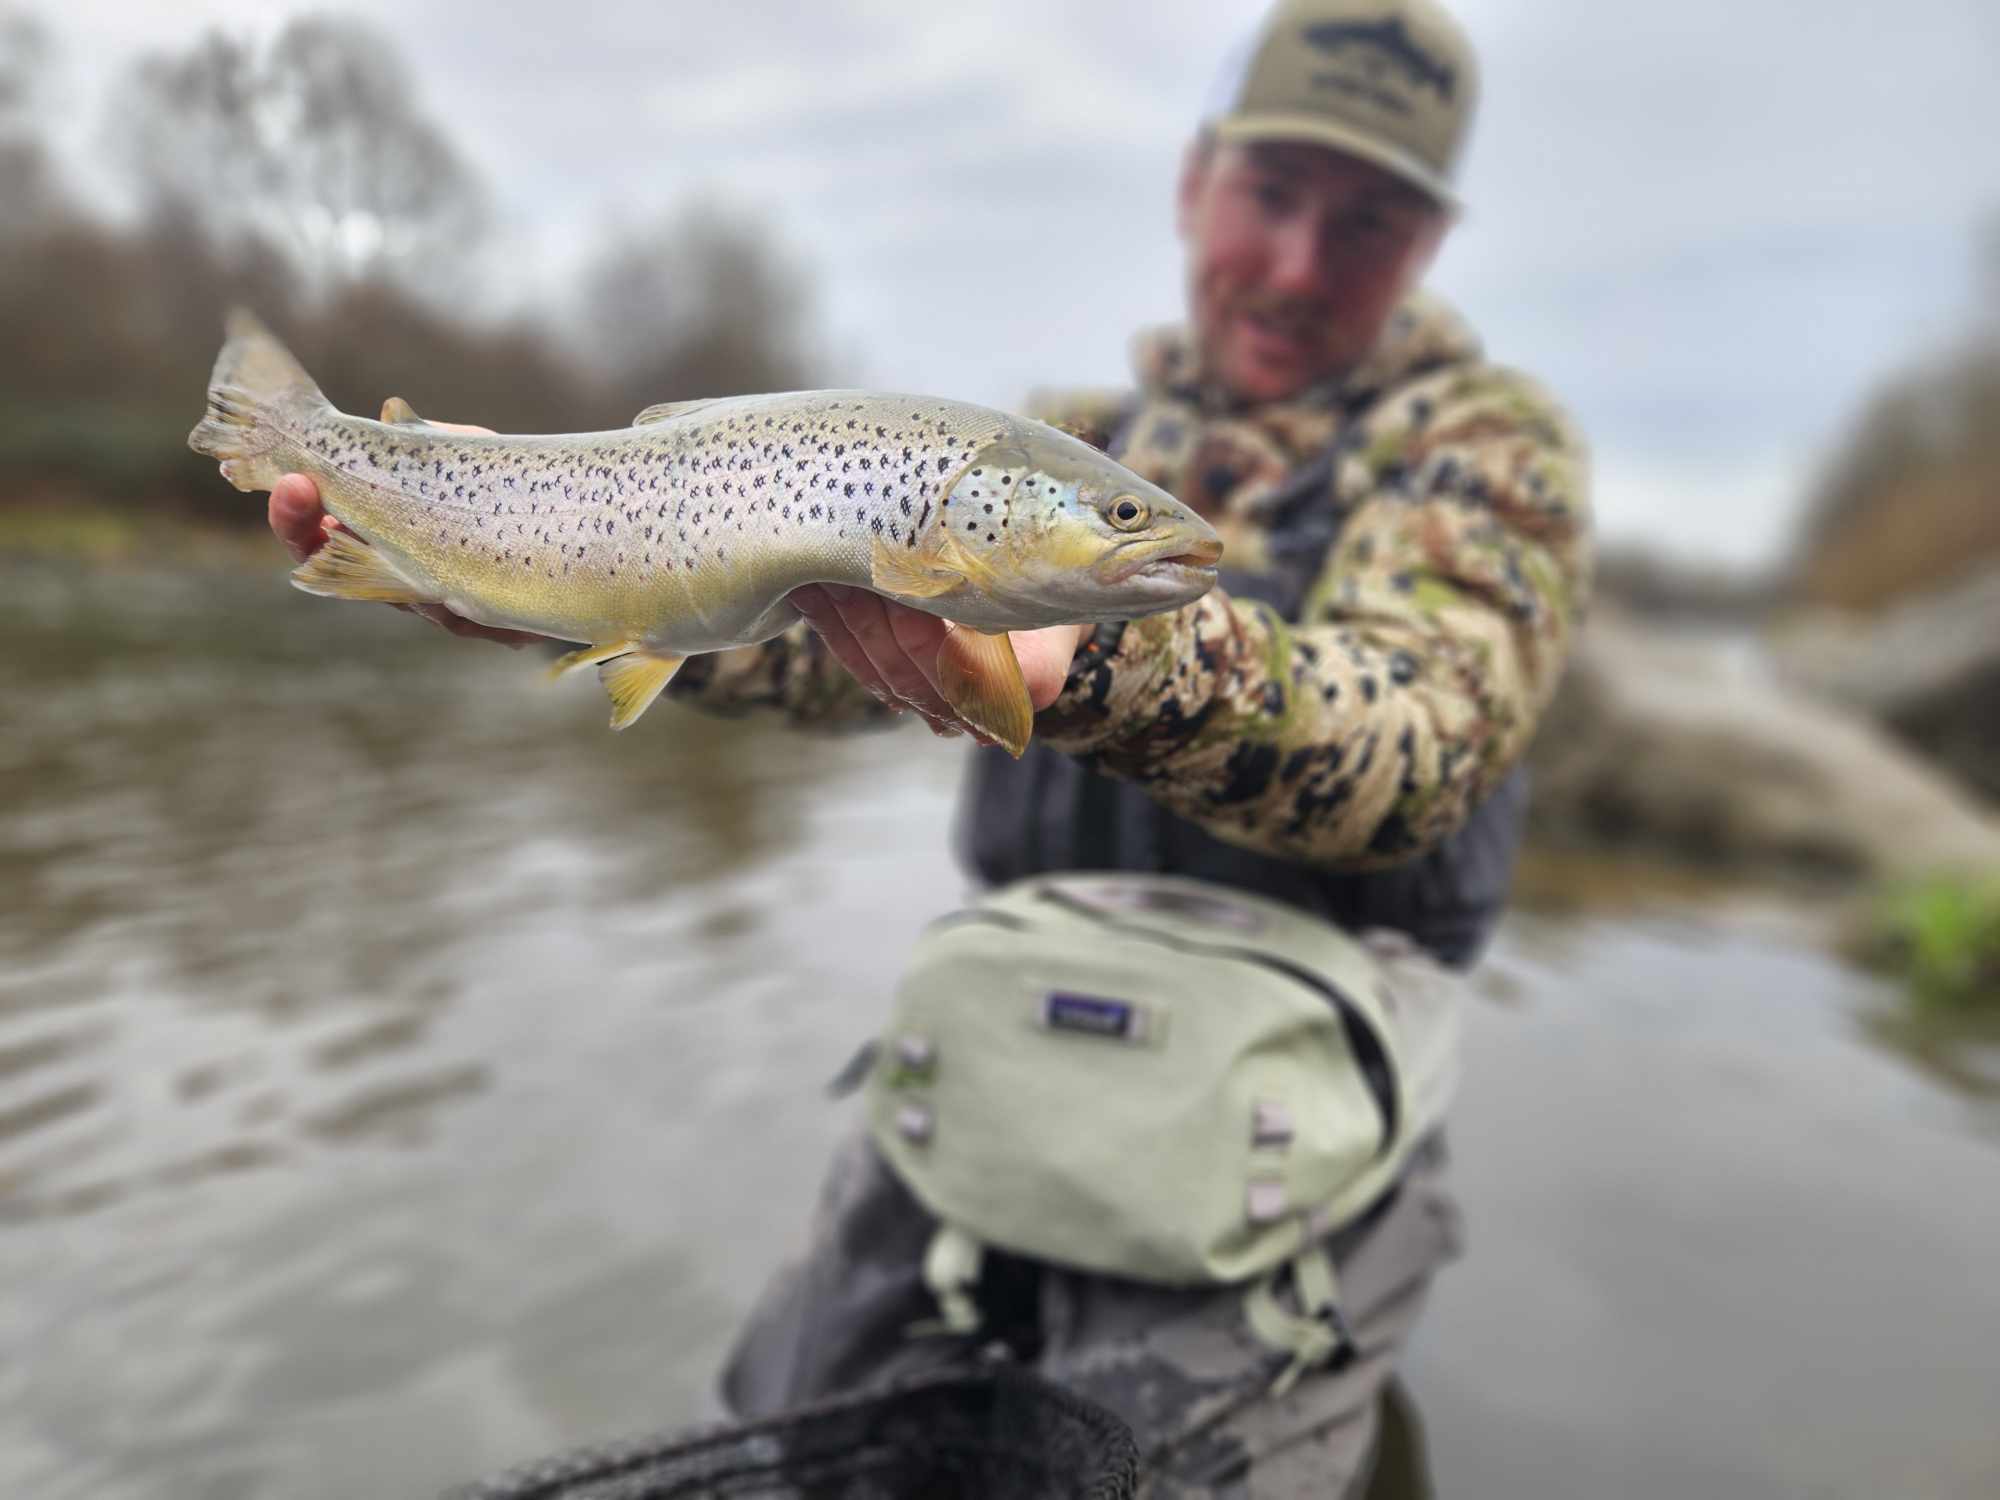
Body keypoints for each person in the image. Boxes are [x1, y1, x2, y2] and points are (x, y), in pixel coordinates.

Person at [268, 0, 1590, 1489]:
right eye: (1272, 197)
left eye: (1366, 223)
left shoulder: (1483, 451)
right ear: (1194, 184)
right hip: (996, 1062)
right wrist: (582, 597)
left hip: (1302, 1126)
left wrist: (1102, 652)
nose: (1296, 263)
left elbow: (1418, 742)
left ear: (1428, 246)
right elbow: (832, 665)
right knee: (791, 1412)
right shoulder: (1070, 427)